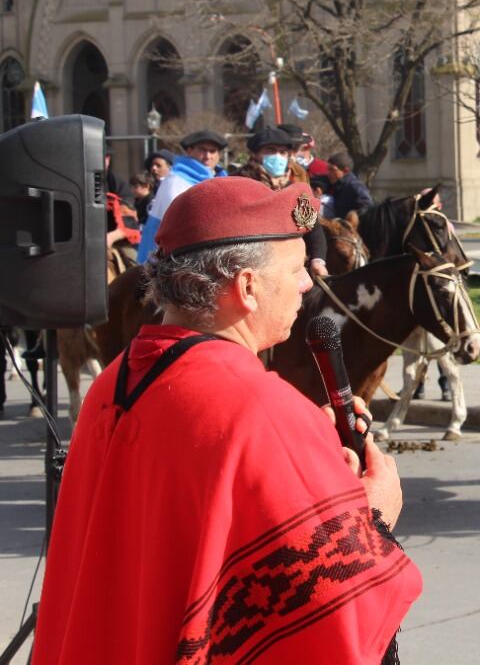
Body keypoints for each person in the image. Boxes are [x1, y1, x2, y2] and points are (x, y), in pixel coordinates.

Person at [32, 177, 421, 664]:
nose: (307, 284)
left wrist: (309, 455)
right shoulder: (262, 409)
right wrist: (374, 519)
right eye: (298, 268)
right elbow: (330, 624)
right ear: (248, 287)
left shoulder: (112, 383)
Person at [235, 126, 330, 278]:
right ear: (254, 154)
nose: (277, 156)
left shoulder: (295, 188)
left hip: (293, 270)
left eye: (282, 152)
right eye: (270, 150)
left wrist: (318, 261)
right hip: (253, 270)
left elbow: (313, 228)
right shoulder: (239, 184)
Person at [137, 129, 229, 262]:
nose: (208, 156)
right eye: (202, 150)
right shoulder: (175, 181)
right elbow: (184, 226)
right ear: (189, 151)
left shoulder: (221, 180)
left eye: (213, 151)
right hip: (167, 262)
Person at [328, 151, 374, 219]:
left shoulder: (355, 186)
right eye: (328, 169)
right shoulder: (338, 186)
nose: (329, 173)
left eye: (332, 170)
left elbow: (367, 208)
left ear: (345, 171)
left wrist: (350, 221)